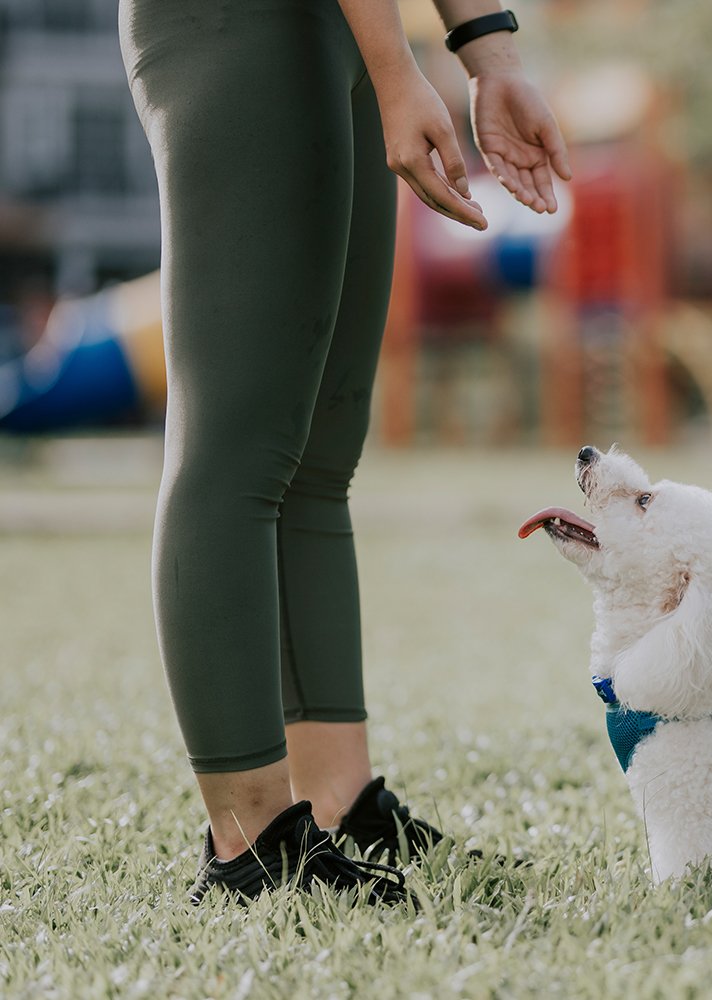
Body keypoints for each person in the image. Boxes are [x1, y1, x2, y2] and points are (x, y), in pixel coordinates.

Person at [119, 0, 570, 904]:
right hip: (237, 24)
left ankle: (336, 802)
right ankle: (250, 846)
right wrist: (400, 71)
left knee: (322, 457)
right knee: (240, 447)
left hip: (348, 29)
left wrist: (490, 56)